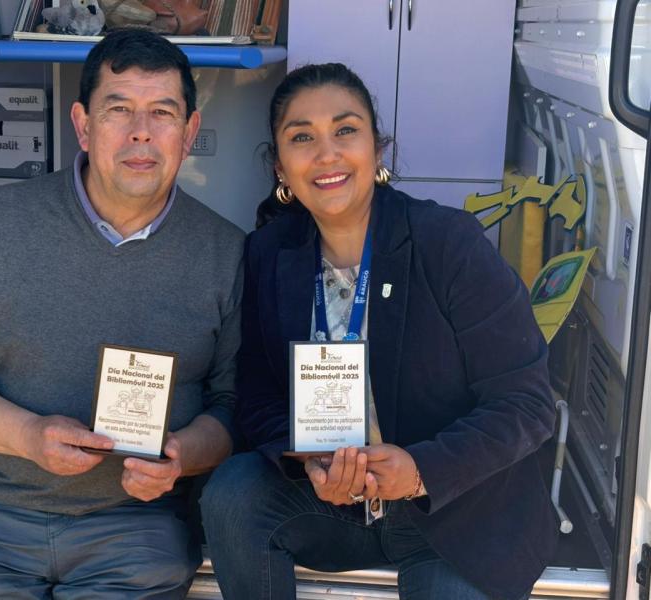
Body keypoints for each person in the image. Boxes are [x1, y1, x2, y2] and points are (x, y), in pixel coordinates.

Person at [0, 28, 244, 599]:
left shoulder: (225, 251)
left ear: (189, 132)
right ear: (83, 125)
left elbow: (233, 406)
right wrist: (28, 435)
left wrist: (180, 457)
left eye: (162, 112)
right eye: (119, 109)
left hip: (138, 528)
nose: (141, 131)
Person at [200, 63, 558, 600]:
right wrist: (309, 460)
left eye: (345, 130)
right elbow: (257, 394)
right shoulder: (269, 253)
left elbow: (527, 404)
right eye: (302, 137)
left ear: (378, 149)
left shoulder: (448, 242)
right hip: (330, 504)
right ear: (280, 166)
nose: (327, 154)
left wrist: (419, 471)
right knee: (232, 494)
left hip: (455, 513)